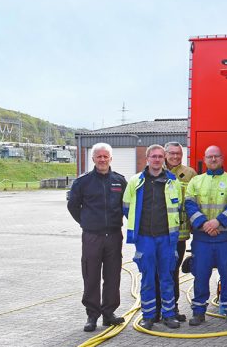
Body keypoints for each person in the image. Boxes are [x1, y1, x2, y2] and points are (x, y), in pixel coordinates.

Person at [67, 142, 127, 332]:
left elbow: (127, 206)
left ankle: (109, 314)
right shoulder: (83, 182)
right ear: (92, 159)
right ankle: (92, 315)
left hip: (114, 236)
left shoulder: (119, 181)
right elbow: (73, 206)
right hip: (92, 236)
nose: (102, 159)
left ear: (111, 158)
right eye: (98, 156)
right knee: (91, 275)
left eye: (105, 156)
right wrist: (85, 222)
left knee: (112, 275)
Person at [122, 145, 184, 330]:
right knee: (148, 277)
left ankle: (169, 315)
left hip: (166, 238)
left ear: (164, 159)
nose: (157, 160)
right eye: (153, 156)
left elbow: (178, 208)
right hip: (145, 238)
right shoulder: (135, 181)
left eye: (160, 157)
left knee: (167, 277)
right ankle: (148, 316)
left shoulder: (173, 181)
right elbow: (126, 207)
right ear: (147, 158)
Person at [184, 145, 227, 326]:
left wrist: (217, 223)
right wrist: (204, 224)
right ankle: (198, 312)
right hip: (202, 238)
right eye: (209, 157)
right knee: (200, 275)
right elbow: (189, 204)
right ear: (204, 158)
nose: (213, 159)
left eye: (216, 156)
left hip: (224, 237)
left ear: (222, 158)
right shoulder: (196, 181)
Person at [157, 141, 197, 323]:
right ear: (165, 154)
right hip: (157, 233)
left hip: (179, 235)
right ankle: (155, 309)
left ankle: (172, 308)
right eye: (171, 153)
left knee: (172, 272)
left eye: (178, 154)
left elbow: (194, 202)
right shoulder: (154, 171)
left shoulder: (189, 174)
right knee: (157, 271)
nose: (175, 156)